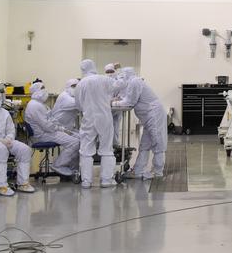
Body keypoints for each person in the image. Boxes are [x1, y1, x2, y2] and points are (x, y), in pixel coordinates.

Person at [114, 67, 167, 181]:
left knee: (158, 143)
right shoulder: (132, 83)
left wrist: (113, 102)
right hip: (149, 117)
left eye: (122, 76)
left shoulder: (135, 82)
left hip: (154, 114)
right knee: (144, 144)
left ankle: (158, 172)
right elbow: (127, 97)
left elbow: (129, 102)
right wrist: (117, 99)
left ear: (127, 75)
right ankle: (138, 171)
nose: (121, 79)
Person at [75, 59, 117, 188]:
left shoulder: (81, 84)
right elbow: (115, 91)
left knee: (86, 149)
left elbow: (78, 104)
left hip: (89, 118)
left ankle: (86, 181)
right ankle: (106, 180)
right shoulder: (105, 79)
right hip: (104, 117)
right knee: (106, 148)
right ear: (94, 66)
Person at [24, 83, 79, 179]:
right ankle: (58, 165)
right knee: (75, 143)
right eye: (42, 88)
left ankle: (73, 169)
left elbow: (51, 119)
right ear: (35, 91)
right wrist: (59, 129)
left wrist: (62, 128)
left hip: (48, 132)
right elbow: (46, 126)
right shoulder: (34, 106)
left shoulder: (40, 104)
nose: (45, 90)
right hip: (42, 135)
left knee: (77, 138)